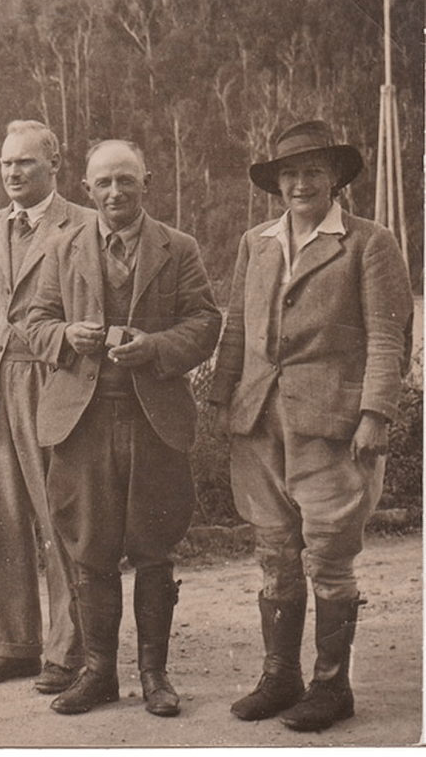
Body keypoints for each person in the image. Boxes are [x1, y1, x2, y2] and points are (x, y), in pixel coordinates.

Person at [209, 120, 413, 732]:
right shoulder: (257, 242)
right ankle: (280, 677)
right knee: (274, 549)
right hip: (259, 420)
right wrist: (224, 398)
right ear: (276, 183)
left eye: (313, 171)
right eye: (290, 173)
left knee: (328, 554)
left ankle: (331, 687)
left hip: (333, 425)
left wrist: (375, 414)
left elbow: (388, 336)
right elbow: (239, 329)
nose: (301, 183)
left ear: (336, 179)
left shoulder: (367, 242)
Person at [27, 140, 220, 716]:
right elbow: (33, 322)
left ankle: (155, 675)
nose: (115, 192)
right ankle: (97, 673)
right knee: (90, 549)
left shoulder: (177, 247)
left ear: (147, 182)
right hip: (81, 423)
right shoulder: (62, 248)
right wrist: (67, 338)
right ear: (86, 189)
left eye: (126, 181)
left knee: (154, 548)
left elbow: (206, 321)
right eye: (104, 183)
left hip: (152, 421)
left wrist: (155, 347)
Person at [0, 120, 94, 689]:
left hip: (54, 377)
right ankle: (11, 643)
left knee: (60, 516)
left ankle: (71, 649)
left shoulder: (84, 224)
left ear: (54, 165)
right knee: (0, 517)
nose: (14, 174)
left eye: (26, 164)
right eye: (6, 165)